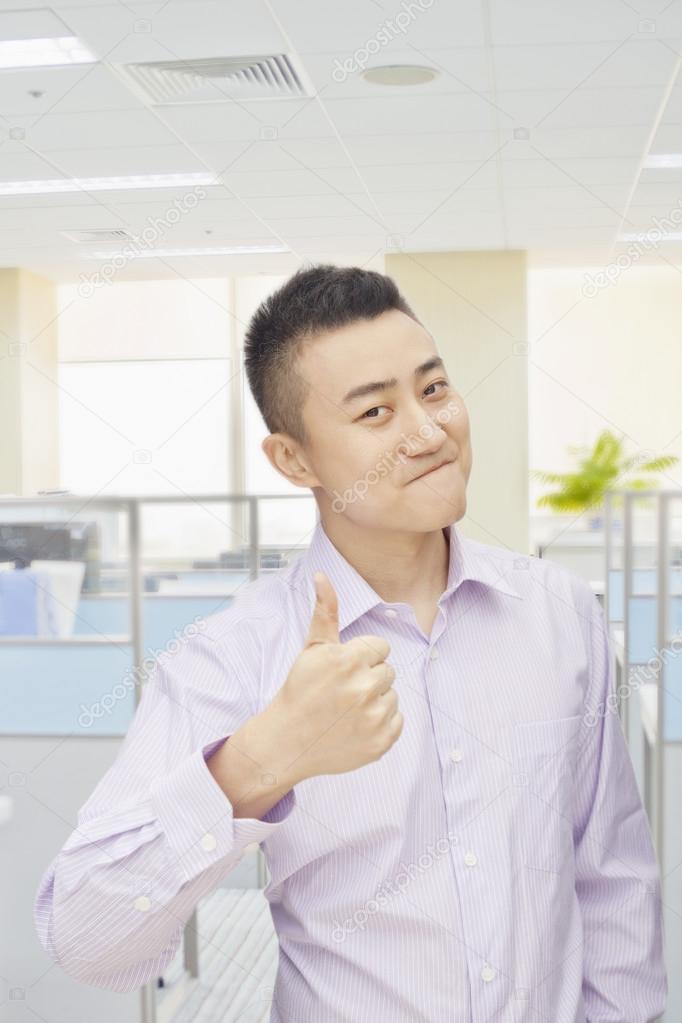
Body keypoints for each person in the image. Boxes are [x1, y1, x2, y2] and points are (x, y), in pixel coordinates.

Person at [34, 264, 666, 1021]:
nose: (430, 432)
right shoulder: (232, 654)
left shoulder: (559, 611)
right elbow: (84, 936)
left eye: (433, 389)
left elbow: (611, 875)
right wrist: (261, 761)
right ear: (293, 459)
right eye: (375, 413)